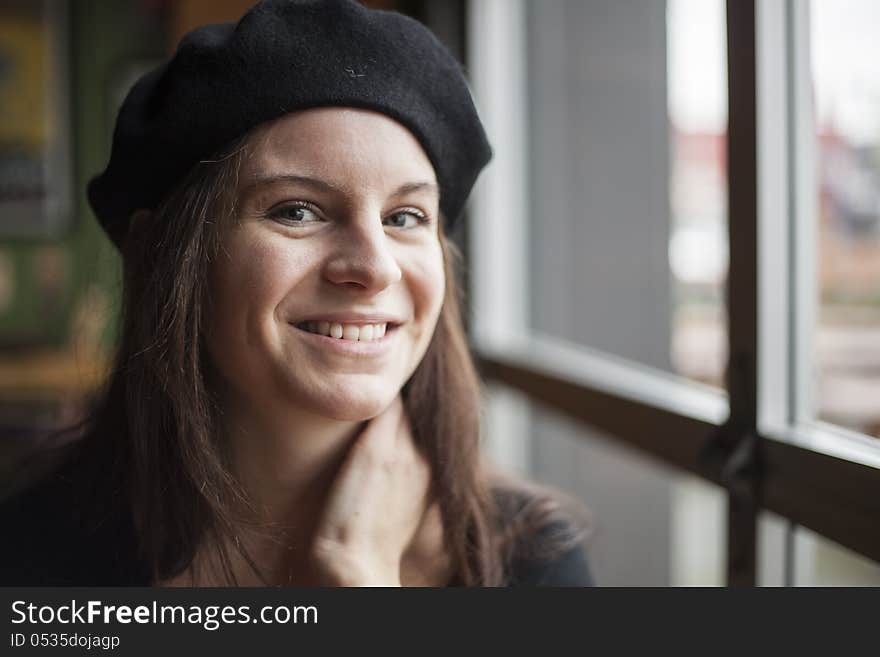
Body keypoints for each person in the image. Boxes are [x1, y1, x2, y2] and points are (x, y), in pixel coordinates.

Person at [0, 0, 593, 587]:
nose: (374, 268)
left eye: (406, 217)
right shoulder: (30, 551)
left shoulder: (531, 561)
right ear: (164, 253)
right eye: (298, 210)